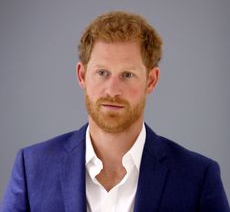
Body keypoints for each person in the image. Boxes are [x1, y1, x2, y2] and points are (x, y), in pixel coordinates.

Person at [1, 11, 229, 212]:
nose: (112, 90)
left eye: (127, 75)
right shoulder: (32, 168)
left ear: (151, 80)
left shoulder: (197, 177)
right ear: (82, 75)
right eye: (102, 73)